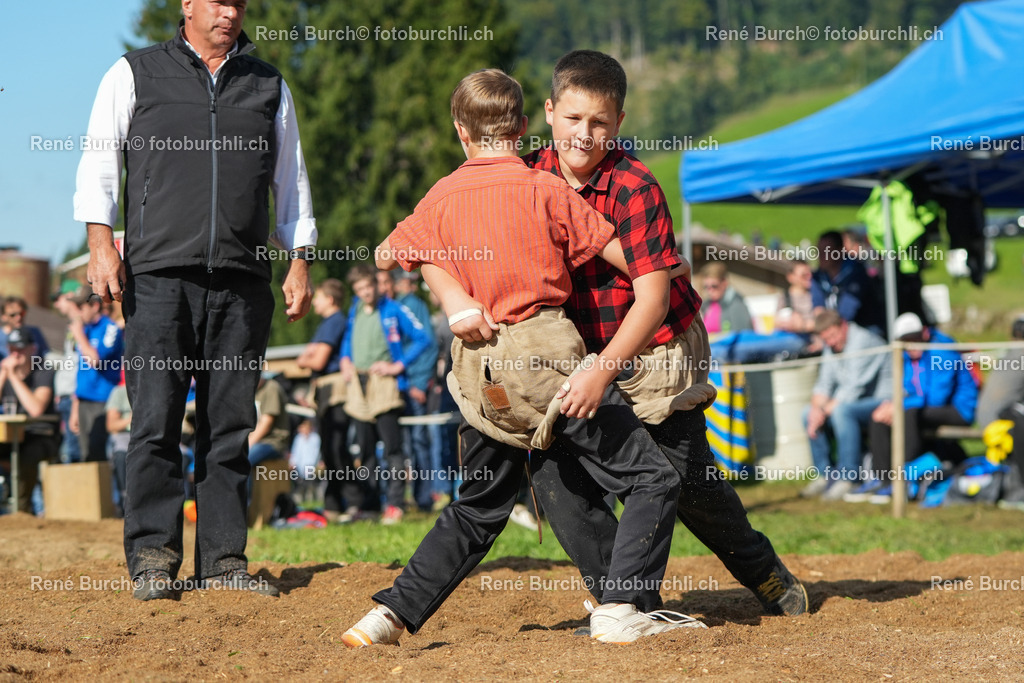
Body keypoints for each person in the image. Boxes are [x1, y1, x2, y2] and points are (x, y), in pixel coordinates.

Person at [344, 68, 696, 648]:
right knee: (653, 478)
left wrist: (453, 293)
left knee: (479, 506)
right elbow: (634, 262)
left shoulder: (441, 196)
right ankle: (622, 606)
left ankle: (387, 616)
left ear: (461, 131)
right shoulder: (547, 189)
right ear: (526, 126)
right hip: (547, 361)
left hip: (479, 374)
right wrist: (668, 264)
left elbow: (390, 253)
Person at [489, 50, 804, 619]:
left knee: (685, 485)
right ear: (548, 111)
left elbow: (653, 300)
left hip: (656, 349)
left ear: (619, 124)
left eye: (600, 122)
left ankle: (762, 571)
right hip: (575, 353)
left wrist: (603, 369)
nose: (584, 134)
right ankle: (626, 600)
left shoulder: (635, 186)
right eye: (573, 118)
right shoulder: (524, 178)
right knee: (556, 476)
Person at [74, 0, 316, 600]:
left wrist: (300, 258)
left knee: (229, 425)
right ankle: (153, 559)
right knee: (154, 420)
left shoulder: (267, 84)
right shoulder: (134, 72)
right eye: (217, 0)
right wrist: (101, 246)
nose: (229, 12)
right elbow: (99, 161)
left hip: (242, 279)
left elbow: (291, 180)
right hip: (156, 278)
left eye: (238, 2)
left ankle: (224, 561)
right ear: (187, 5)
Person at [849, 313, 978, 502]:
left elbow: (937, 398)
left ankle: (905, 475)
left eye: (915, 338)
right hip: (925, 408)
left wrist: (899, 406)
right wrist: (893, 406)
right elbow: (909, 390)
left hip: (958, 410)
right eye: (906, 340)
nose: (911, 344)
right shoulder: (908, 357)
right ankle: (884, 480)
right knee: (878, 418)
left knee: (908, 414)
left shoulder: (942, 351)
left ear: (925, 333)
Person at [340, 265, 432, 525]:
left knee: (393, 449)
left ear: (377, 285)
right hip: (358, 384)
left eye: (369, 287)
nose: (365, 293)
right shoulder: (355, 308)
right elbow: (348, 338)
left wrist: (398, 365)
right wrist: (345, 359)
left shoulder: (393, 309)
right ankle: (368, 506)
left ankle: (394, 505)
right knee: (365, 449)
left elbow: (422, 338)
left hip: (385, 384)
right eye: (360, 289)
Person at [802, 309, 892, 500]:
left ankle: (849, 476)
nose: (831, 342)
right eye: (827, 340)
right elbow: (823, 384)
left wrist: (822, 411)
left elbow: (853, 389)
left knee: (842, 411)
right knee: (806, 413)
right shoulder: (830, 346)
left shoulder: (863, 341)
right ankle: (824, 475)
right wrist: (815, 411)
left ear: (843, 325)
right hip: (854, 402)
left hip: (884, 401)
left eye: (833, 336)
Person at [295, 279, 350, 519]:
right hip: (325, 391)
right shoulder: (327, 323)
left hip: (333, 391)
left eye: (317, 297)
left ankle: (349, 501)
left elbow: (315, 360)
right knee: (329, 450)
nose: (314, 301)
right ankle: (335, 504)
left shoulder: (335, 322)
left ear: (330, 299)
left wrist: (305, 358)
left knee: (337, 449)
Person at [391, 271, 439, 511]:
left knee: (419, 441)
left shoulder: (411, 305)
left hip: (413, 385)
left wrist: (418, 382)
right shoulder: (398, 305)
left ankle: (424, 497)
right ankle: (417, 496)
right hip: (403, 384)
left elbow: (427, 343)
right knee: (408, 443)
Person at [0, 328, 59, 514]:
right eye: (11, 349)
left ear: (32, 349)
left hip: (41, 435)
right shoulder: (5, 372)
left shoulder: (43, 370)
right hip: (14, 435)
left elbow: (36, 409)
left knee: (26, 455)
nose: (15, 354)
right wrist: (4, 374)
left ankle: (22, 509)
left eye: (20, 349)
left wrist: (13, 378)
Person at [67, 289, 123, 463]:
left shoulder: (110, 328)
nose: (77, 312)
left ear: (95, 306)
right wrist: (75, 407)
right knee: (86, 455)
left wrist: (78, 335)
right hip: (83, 400)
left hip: (102, 401)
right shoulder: (86, 330)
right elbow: (81, 371)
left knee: (99, 455)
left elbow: (94, 360)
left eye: (80, 306)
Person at [811, 230, 885, 334]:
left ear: (839, 251)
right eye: (818, 251)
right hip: (831, 331)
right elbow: (818, 306)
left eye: (826, 251)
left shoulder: (856, 273)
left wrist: (808, 325)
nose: (821, 256)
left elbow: (846, 312)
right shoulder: (818, 276)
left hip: (863, 329)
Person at [699, 262, 753, 335]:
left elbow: (743, 338)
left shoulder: (737, 305)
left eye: (714, 286)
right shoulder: (705, 305)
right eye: (707, 287)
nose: (710, 291)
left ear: (724, 282)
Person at [105, 379, 132, 517]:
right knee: (121, 454)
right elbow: (111, 426)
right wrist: (132, 419)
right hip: (124, 436)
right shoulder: (120, 392)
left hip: (152, 435)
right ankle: (124, 501)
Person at [289, 419, 322, 505]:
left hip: (312, 466)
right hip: (299, 466)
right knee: (299, 484)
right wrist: (292, 463)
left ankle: (312, 498)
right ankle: (301, 498)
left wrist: (313, 465)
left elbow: (316, 453)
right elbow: (295, 452)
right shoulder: (298, 438)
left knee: (311, 484)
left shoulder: (315, 438)